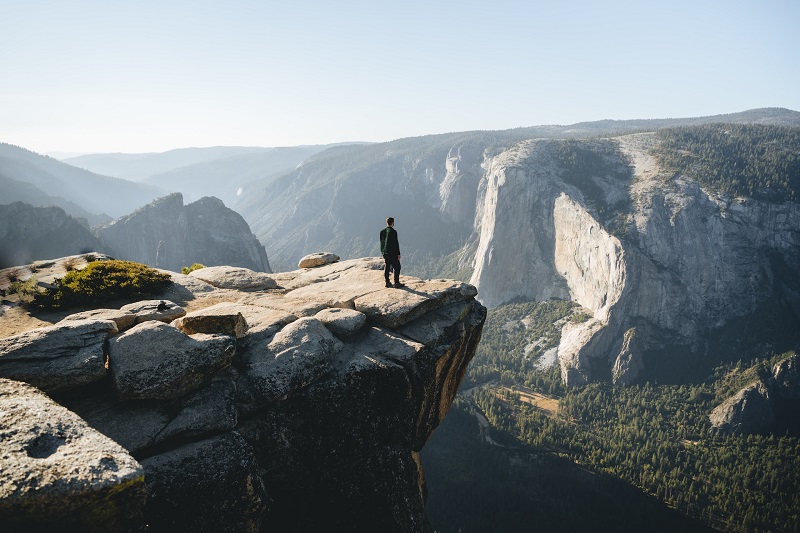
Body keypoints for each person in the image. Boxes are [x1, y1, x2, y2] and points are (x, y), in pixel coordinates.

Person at [379, 217, 404, 288]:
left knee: (387, 267)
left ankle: (387, 282)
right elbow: (396, 244)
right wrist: (398, 254)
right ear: (393, 223)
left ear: (386, 222)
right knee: (397, 267)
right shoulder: (393, 232)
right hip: (392, 253)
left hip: (385, 252)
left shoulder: (382, 232)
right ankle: (396, 282)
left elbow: (381, 243)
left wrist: (383, 252)